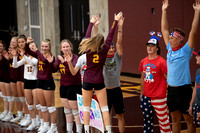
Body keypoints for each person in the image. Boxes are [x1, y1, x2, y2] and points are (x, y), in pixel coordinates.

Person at [78, 12, 122, 133]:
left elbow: (87, 35)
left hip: (87, 80)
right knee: (104, 108)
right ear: (102, 42)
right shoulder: (104, 50)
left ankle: (86, 130)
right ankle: (107, 130)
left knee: (86, 108)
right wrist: (116, 21)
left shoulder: (88, 49)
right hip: (99, 81)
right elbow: (110, 35)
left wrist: (92, 23)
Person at [161, 0, 200, 132]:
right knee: (175, 119)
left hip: (184, 90)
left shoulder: (185, 51)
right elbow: (164, 29)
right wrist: (164, 10)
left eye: (172, 38)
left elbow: (193, 32)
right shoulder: (169, 49)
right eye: (170, 38)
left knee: (188, 119)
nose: (169, 39)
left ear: (179, 39)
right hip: (171, 90)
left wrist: (197, 11)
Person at [139, 36, 171, 133]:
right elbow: (142, 77)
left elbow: (168, 79)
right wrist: (141, 92)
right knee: (147, 122)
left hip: (159, 97)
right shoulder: (143, 61)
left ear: (157, 48)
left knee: (164, 122)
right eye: (148, 45)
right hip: (146, 96)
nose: (149, 48)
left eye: (152, 46)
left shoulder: (162, 62)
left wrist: (167, 93)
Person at [25, 39, 57, 133]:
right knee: (43, 106)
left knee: (50, 106)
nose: (44, 48)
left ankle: (54, 126)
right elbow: (27, 51)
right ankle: (45, 125)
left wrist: (37, 50)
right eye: (42, 46)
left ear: (49, 47)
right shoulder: (39, 55)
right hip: (39, 82)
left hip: (48, 83)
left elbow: (43, 60)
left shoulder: (51, 57)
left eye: (46, 46)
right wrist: (28, 43)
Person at [54, 39, 82, 133]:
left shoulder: (75, 57)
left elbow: (73, 71)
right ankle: (69, 130)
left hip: (74, 86)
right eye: (63, 47)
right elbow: (53, 69)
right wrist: (49, 61)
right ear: (61, 49)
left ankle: (78, 130)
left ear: (70, 47)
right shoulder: (60, 58)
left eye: (67, 46)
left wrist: (65, 62)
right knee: (67, 110)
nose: (65, 48)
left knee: (75, 111)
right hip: (63, 86)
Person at [103, 16, 125, 133]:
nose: (111, 48)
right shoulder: (101, 58)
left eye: (112, 47)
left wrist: (120, 27)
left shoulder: (118, 57)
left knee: (120, 116)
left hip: (116, 90)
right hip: (105, 91)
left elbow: (119, 43)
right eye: (109, 47)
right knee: (105, 116)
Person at [12, 41, 40, 130]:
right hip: (27, 81)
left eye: (33, 48)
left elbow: (35, 62)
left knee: (38, 105)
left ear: (36, 49)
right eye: (30, 48)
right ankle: (33, 121)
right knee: (30, 104)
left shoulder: (38, 58)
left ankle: (40, 121)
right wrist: (15, 56)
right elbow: (15, 65)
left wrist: (26, 55)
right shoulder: (25, 58)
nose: (30, 50)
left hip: (35, 82)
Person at [189, 50, 200, 125]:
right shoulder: (198, 71)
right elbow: (195, 88)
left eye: (198, 56)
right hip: (197, 104)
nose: (196, 57)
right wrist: (191, 104)